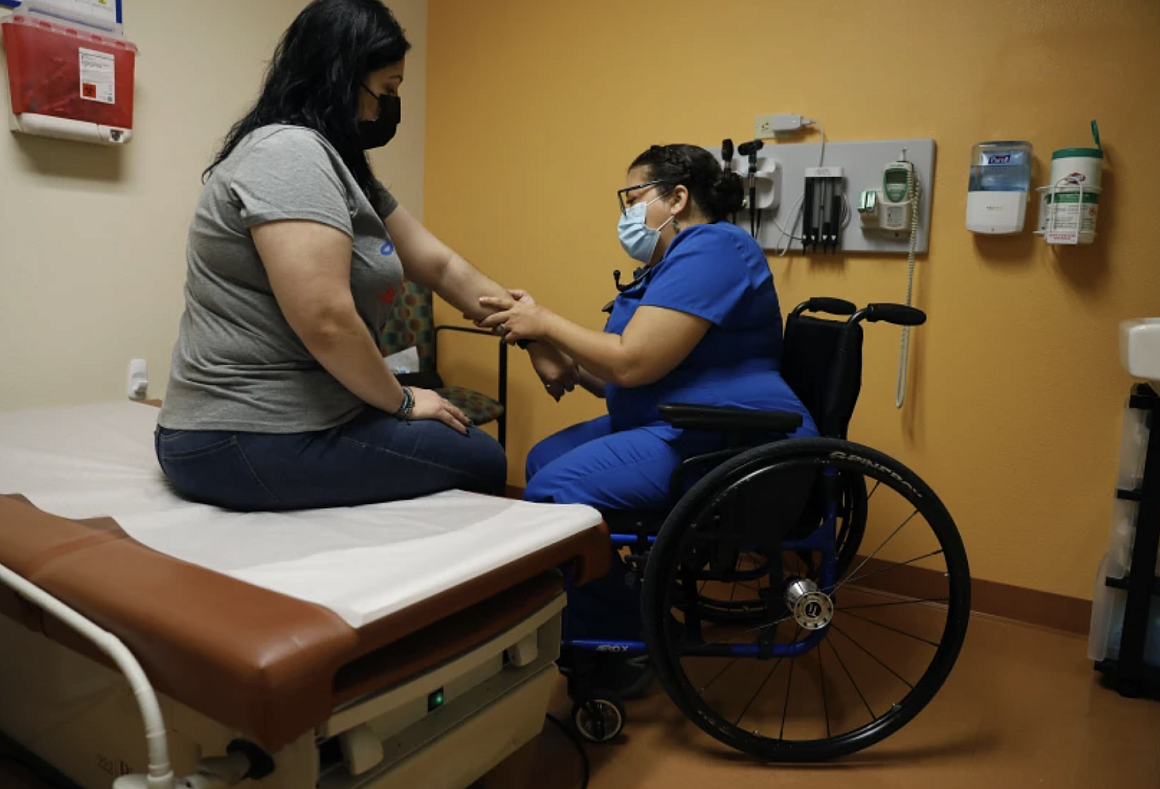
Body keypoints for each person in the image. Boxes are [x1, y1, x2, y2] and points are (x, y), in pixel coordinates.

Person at [155, 0, 576, 511]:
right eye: (387, 91)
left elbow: (440, 265)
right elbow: (325, 318)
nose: (386, 109)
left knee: (465, 448)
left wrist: (531, 334)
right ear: (341, 77)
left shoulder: (340, 168)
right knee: (481, 459)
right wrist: (400, 400)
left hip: (282, 422)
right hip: (243, 430)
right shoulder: (288, 155)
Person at [480, 143, 818, 654]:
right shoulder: (674, 264)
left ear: (678, 197)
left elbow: (631, 361)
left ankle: (624, 632)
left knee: (552, 490)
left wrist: (546, 321)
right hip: (682, 422)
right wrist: (545, 342)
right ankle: (617, 597)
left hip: (733, 438)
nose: (626, 214)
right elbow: (630, 374)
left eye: (632, 198)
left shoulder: (715, 249)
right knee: (542, 457)